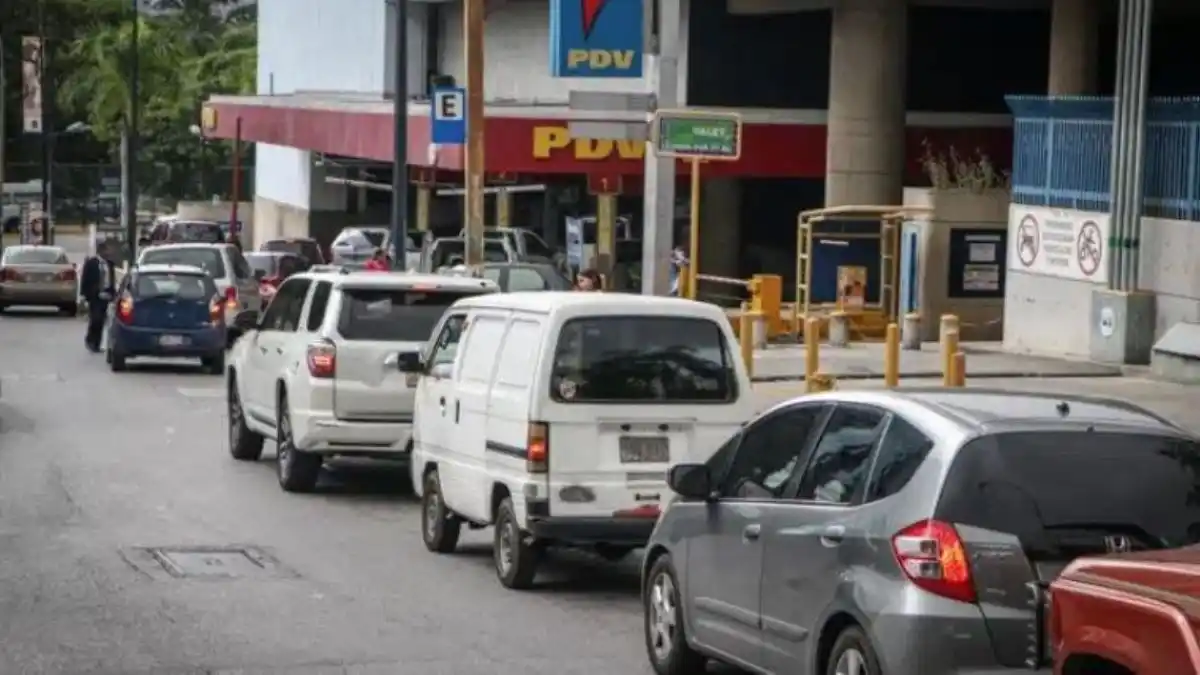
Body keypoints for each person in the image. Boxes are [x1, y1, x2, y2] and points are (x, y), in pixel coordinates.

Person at [80, 241, 117, 353]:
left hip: (106, 294)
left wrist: (113, 294)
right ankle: (90, 340)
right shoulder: (91, 263)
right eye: (107, 250)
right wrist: (84, 295)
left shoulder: (110, 264)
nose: (109, 252)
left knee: (101, 320)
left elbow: (112, 279)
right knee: (95, 318)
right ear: (101, 251)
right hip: (94, 296)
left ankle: (97, 343)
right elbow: (85, 279)